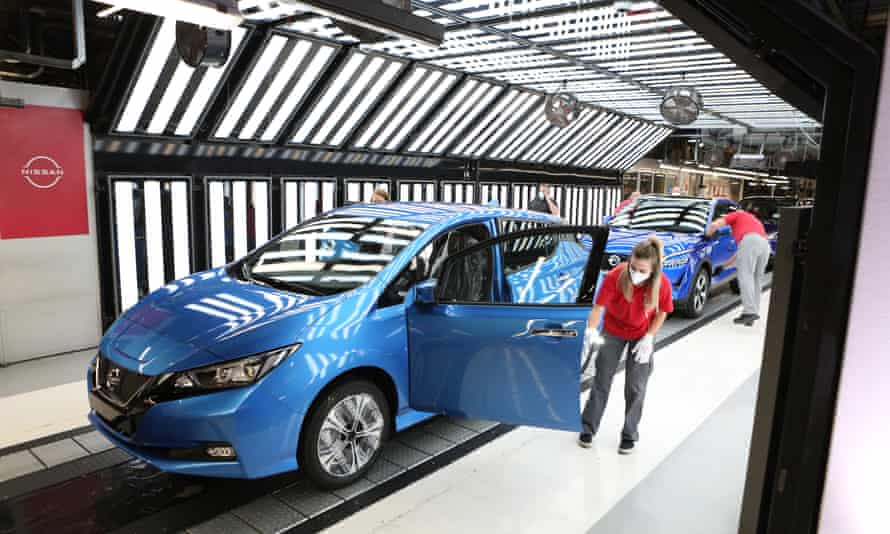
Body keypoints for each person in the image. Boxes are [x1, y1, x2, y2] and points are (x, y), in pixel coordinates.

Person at [579, 237, 673, 454]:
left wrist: (649, 338)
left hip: (642, 333)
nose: (636, 273)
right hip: (613, 330)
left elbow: (663, 312)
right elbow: (598, 307)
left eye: (642, 270)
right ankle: (588, 427)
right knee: (602, 379)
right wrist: (591, 330)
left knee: (636, 386)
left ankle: (629, 434)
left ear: (653, 270)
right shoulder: (617, 275)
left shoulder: (662, 284)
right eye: (633, 267)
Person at [706, 209, 770, 326]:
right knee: (756, 280)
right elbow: (740, 255)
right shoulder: (752, 221)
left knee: (745, 276)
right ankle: (752, 314)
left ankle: (749, 312)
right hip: (765, 245)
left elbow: (714, 225)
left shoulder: (736, 214)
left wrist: (707, 236)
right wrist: (723, 267)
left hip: (750, 242)